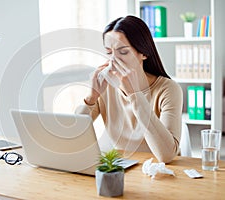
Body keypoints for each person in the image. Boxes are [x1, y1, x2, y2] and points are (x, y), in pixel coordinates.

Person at [76, 16, 183, 163]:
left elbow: (166, 156)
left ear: (143, 53)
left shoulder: (168, 89)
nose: (113, 60)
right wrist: (91, 98)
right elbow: (74, 134)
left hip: (162, 172)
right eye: (109, 52)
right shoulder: (105, 88)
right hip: (124, 169)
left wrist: (135, 95)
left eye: (123, 52)